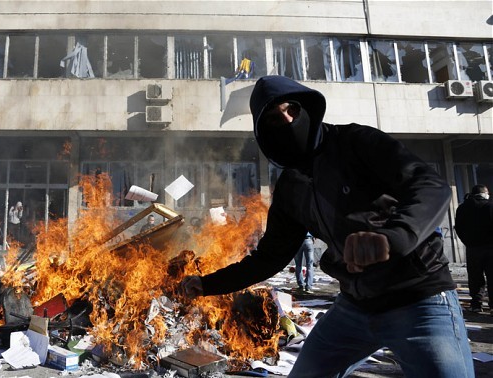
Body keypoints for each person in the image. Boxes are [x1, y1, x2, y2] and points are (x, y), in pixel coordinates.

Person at [179, 75, 474, 377]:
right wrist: (207, 284)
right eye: (273, 117)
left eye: (291, 108)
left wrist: (393, 236)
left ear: (306, 108)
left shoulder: (356, 142)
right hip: (354, 306)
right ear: (263, 131)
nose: (287, 119)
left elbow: (430, 185)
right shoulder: (290, 187)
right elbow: (269, 258)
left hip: (418, 299)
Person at [455, 184, 493, 314]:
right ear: (485, 193)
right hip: (490, 248)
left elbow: (458, 228)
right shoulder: (490, 206)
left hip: (472, 248)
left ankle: (476, 304)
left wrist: (467, 241)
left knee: (475, 277)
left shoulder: (463, 208)